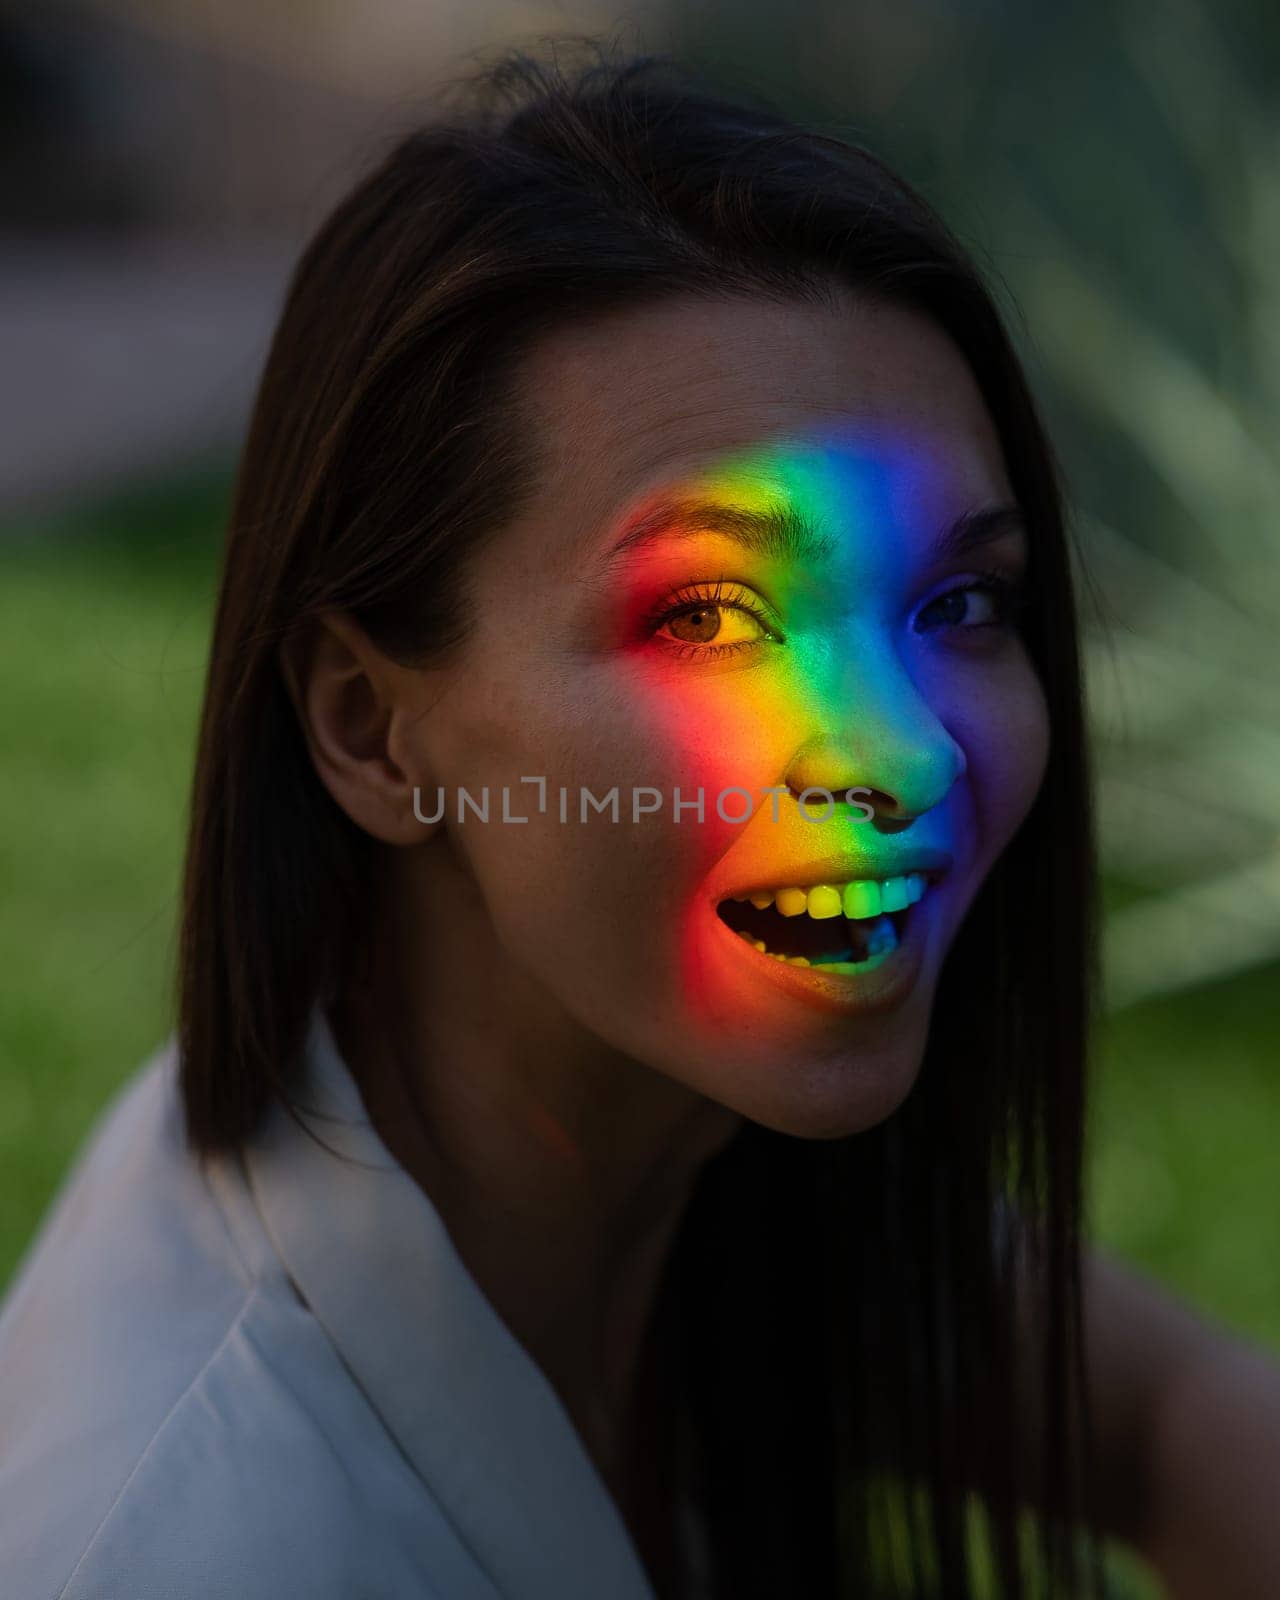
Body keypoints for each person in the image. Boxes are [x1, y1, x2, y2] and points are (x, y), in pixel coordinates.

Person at [2, 46, 1278, 1600]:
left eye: (960, 601)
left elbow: (1175, 1421)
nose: (908, 758)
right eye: (709, 620)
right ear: (366, 727)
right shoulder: (205, 1547)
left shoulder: (677, 1135)